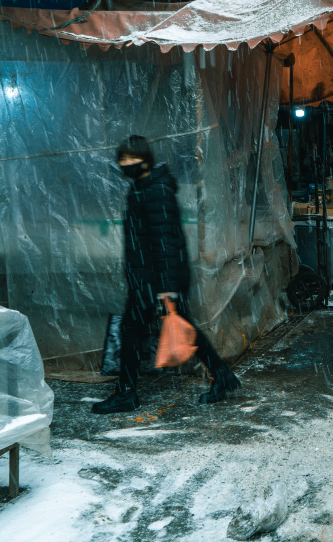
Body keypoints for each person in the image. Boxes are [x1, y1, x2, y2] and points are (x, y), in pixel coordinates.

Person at [93, 136, 241, 414]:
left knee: (141, 332)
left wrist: (167, 286)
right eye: (121, 160)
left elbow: (167, 241)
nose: (125, 165)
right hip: (148, 278)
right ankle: (222, 375)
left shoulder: (156, 189)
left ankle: (127, 393)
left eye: (130, 160)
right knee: (164, 330)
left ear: (145, 160)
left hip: (155, 279)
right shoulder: (142, 187)